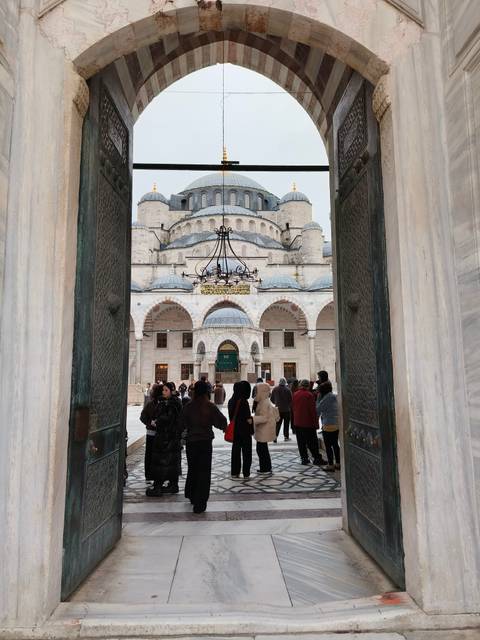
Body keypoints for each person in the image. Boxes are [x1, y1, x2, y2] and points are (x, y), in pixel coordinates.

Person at [180, 380, 227, 513]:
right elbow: (222, 422)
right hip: (205, 442)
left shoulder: (189, 406)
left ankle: (191, 494)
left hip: (191, 441)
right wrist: (224, 428)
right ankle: (200, 502)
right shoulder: (209, 406)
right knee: (204, 471)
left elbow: (180, 423)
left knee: (193, 468)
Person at [145, 382, 183, 496]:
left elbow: (170, 420)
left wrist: (158, 422)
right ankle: (173, 485)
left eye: (166, 390)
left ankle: (158, 487)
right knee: (171, 462)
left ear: (171, 391)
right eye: (163, 390)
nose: (163, 392)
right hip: (170, 438)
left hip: (166, 439)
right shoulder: (166, 402)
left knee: (161, 463)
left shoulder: (173, 404)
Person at [291, 379, 325, 466]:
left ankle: (304, 458)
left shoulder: (295, 394)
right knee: (312, 441)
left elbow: (293, 408)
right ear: (308, 386)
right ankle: (316, 458)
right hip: (308, 422)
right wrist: (316, 423)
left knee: (301, 441)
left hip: (298, 422)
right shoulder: (309, 395)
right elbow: (312, 410)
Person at [228, 381, 253, 478]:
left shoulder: (231, 400)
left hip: (236, 431)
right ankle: (246, 472)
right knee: (247, 452)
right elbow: (247, 418)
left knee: (235, 451)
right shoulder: (243, 401)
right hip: (245, 431)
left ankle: (235, 472)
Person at [253, 382, 279, 474]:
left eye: (257, 391)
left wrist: (252, 419)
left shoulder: (264, 402)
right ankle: (266, 467)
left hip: (264, 430)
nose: (255, 393)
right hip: (263, 430)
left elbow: (264, 417)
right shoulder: (264, 400)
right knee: (262, 449)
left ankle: (265, 468)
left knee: (261, 450)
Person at [140, 383, 162, 482]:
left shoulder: (162, 404)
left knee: (152, 454)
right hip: (152, 432)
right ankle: (150, 474)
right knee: (150, 454)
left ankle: (151, 474)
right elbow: (143, 417)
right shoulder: (151, 404)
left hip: (159, 433)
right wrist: (150, 422)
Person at [316, 381, 340, 472]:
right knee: (335, 444)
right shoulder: (333, 396)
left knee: (328, 445)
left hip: (328, 424)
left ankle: (330, 465)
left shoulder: (326, 398)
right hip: (335, 423)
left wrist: (318, 399)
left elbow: (318, 410)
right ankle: (338, 463)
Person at [271, 377, 293, 442]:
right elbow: (291, 400)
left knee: (277, 424)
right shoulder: (288, 390)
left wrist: (277, 403)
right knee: (286, 424)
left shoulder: (275, 389)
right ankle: (286, 437)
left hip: (278, 409)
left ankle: (275, 437)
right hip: (286, 410)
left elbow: (271, 399)